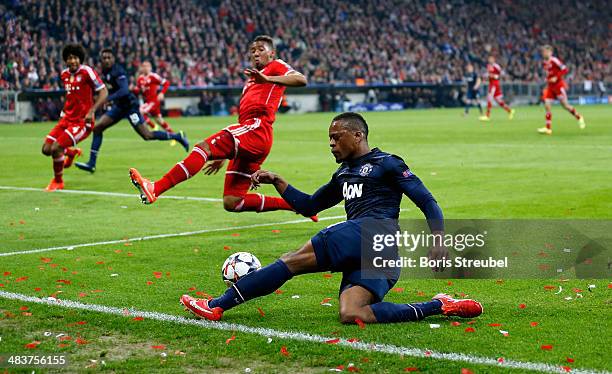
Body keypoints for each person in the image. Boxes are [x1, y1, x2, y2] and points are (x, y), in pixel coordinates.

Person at [180, 112, 483, 324]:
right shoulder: (342, 174)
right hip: (371, 252)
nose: (331, 144)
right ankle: (439, 305)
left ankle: (217, 305)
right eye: (329, 139)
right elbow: (310, 205)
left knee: (292, 260)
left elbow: (427, 201)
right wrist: (277, 180)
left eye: (337, 138)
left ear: (357, 135)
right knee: (353, 313)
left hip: (375, 236)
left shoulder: (387, 163)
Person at [129, 35, 315, 219]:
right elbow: (243, 114)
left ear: (271, 54)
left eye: (260, 50)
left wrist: (267, 79)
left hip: (257, 129)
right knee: (233, 201)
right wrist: (224, 154)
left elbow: (301, 79)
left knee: (203, 148)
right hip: (250, 136)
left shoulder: (275, 66)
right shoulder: (251, 79)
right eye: (252, 51)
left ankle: (156, 188)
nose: (255, 53)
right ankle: (297, 205)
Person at [75, 49, 188, 173]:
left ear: (113, 59)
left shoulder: (118, 71)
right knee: (97, 128)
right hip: (119, 107)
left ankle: (177, 136)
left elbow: (124, 91)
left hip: (130, 107)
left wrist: (108, 99)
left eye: (109, 58)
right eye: (104, 58)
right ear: (101, 60)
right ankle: (91, 163)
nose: (107, 60)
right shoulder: (104, 72)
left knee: (147, 135)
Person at [41, 44, 108, 191]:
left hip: (83, 122)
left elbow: (103, 92)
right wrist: (64, 113)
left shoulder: (86, 72)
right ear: (66, 60)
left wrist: (92, 111)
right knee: (46, 149)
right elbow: (70, 97)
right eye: (70, 58)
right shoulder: (64, 74)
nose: (73, 61)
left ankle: (58, 181)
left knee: (56, 148)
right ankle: (71, 153)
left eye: (75, 58)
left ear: (80, 59)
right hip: (66, 119)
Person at [537, 45, 586, 135]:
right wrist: (547, 79)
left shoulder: (554, 60)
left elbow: (565, 69)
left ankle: (579, 117)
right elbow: (549, 73)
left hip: (558, 86)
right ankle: (548, 129)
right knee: (547, 105)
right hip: (550, 87)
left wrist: (556, 77)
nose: (544, 53)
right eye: (543, 52)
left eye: (546, 51)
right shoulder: (544, 62)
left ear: (550, 52)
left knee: (566, 106)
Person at [133, 61, 174, 133]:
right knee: (160, 121)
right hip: (147, 102)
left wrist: (162, 93)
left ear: (150, 68)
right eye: (144, 66)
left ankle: (153, 126)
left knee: (139, 112)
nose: (145, 68)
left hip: (154, 101)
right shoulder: (140, 79)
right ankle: (175, 136)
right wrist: (135, 90)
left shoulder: (153, 76)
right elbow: (139, 91)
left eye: (147, 66)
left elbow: (166, 83)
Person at [479, 56, 515, 121]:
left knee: (489, 98)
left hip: (495, 84)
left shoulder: (496, 66)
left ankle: (487, 116)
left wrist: (494, 76)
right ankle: (510, 111)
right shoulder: (488, 66)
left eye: (491, 59)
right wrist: (486, 77)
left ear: (494, 59)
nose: (490, 60)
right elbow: (489, 75)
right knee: (499, 101)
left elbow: (501, 74)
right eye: (489, 59)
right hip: (491, 84)